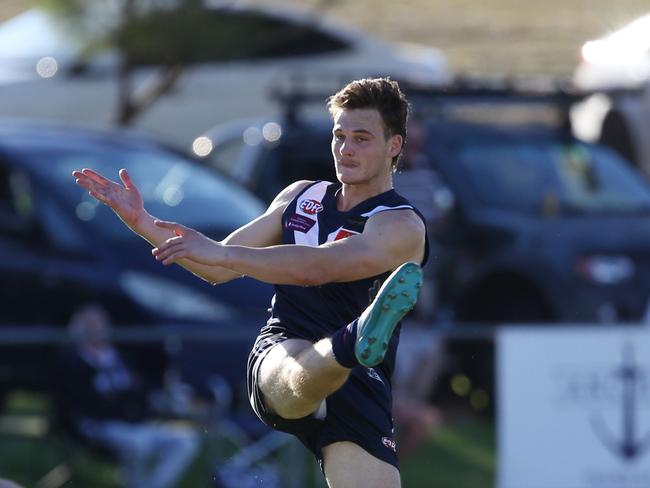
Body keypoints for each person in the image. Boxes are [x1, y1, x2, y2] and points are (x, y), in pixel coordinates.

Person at [73, 77, 429, 488]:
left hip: (361, 387)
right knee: (303, 365)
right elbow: (216, 268)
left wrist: (224, 253)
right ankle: (351, 343)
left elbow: (317, 267)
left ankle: (354, 346)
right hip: (283, 351)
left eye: (362, 138)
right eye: (339, 135)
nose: (345, 149)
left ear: (395, 146)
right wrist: (142, 222)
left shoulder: (400, 224)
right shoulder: (301, 196)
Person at [57, 303, 199, 488]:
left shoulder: (120, 357)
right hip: (99, 426)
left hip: (135, 422)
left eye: (100, 323)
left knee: (185, 441)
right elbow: (86, 403)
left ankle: (153, 485)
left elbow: (140, 392)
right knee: (137, 444)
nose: (96, 329)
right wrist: (124, 399)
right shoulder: (70, 361)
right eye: (90, 324)